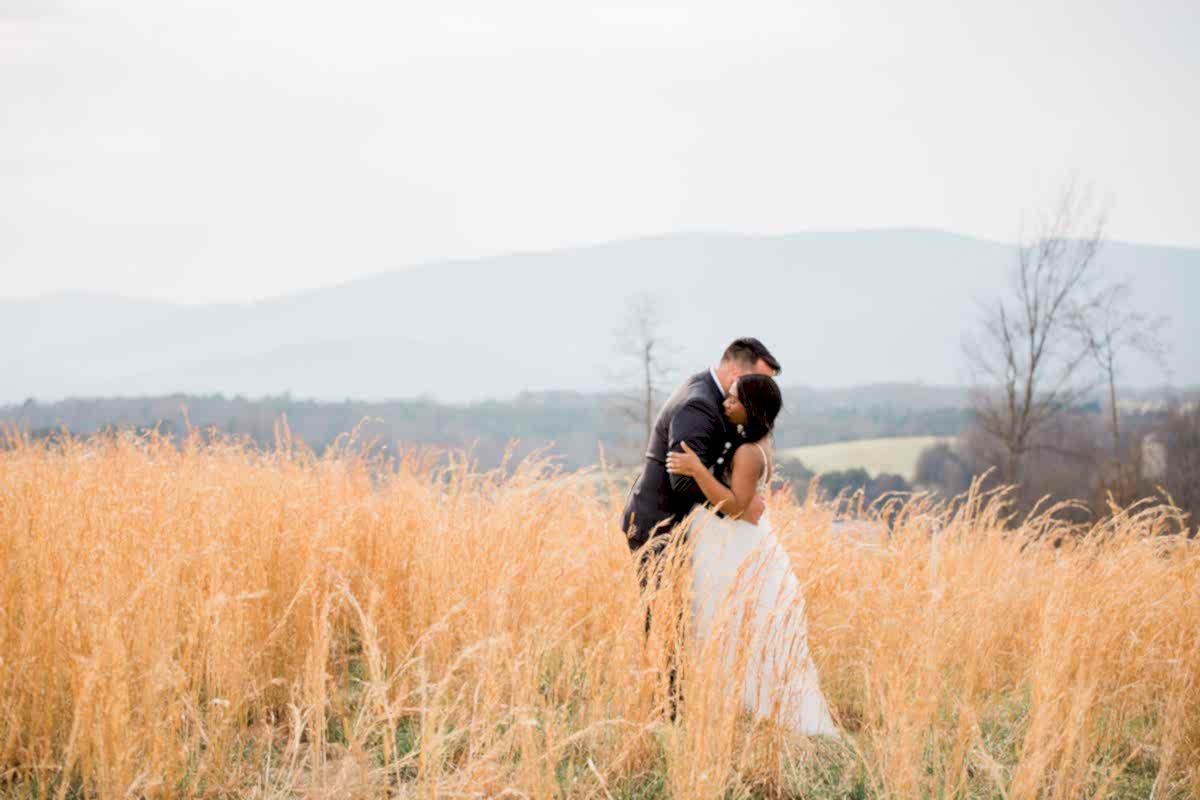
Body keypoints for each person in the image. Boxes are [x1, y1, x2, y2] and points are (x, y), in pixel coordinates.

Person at [666, 374, 839, 738]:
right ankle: (736, 706)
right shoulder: (752, 443)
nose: (725, 404)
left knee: (728, 624)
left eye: (732, 400)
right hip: (731, 541)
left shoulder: (747, 452)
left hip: (735, 546)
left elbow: (733, 506)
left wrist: (696, 469)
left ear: (751, 408)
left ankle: (753, 708)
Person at [621, 337, 781, 576]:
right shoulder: (699, 403)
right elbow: (683, 482)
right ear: (736, 371)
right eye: (757, 379)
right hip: (662, 527)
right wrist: (736, 508)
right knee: (666, 613)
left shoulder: (727, 405)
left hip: (690, 531)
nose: (762, 387)